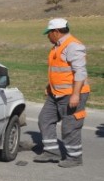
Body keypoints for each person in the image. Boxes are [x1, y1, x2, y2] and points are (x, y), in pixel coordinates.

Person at [34, 18, 90, 168]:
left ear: (56, 32)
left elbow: (80, 72)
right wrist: (49, 86)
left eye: (49, 33)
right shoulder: (57, 47)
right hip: (56, 93)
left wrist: (76, 95)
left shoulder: (72, 46)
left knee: (70, 126)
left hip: (71, 94)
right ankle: (52, 152)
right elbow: (59, 71)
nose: (48, 36)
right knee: (45, 119)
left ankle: (75, 157)